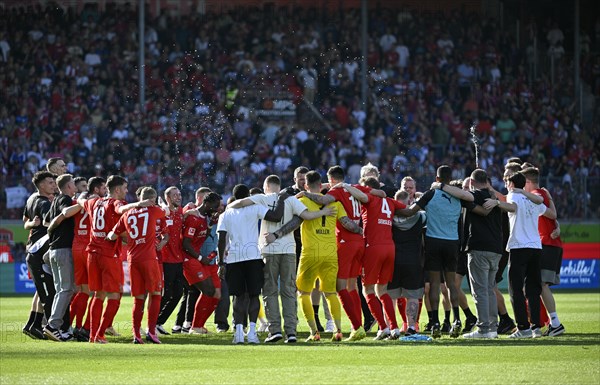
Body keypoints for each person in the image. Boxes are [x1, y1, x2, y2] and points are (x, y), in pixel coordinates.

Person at [226, 176, 332, 343]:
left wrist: (229, 206)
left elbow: (239, 203)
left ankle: (274, 330)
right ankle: (291, 331)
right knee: (289, 291)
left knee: (270, 291)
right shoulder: (291, 199)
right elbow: (307, 216)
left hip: (268, 250)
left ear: (266, 186)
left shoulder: (261, 198)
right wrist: (324, 212)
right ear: (279, 186)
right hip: (289, 250)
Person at [295, 165, 373, 340]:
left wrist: (304, 194)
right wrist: (363, 232)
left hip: (325, 249)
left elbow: (298, 217)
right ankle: (346, 328)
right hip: (342, 248)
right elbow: (349, 221)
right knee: (342, 289)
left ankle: (316, 332)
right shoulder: (346, 195)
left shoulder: (319, 198)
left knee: (313, 292)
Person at [398, 165, 474, 338]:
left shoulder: (430, 194)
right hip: (452, 243)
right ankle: (457, 320)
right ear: (450, 178)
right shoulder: (457, 196)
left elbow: (410, 212)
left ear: (437, 179)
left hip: (433, 242)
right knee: (451, 284)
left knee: (433, 284)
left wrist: (390, 208)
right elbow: (473, 204)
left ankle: (436, 323)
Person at [82, 175, 152, 343]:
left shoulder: (94, 202)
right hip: (108, 254)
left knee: (98, 295)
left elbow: (80, 202)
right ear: (117, 189)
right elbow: (121, 210)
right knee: (115, 295)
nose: (127, 191)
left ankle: (93, 335)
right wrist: (138, 204)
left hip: (92, 253)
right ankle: (99, 334)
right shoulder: (116, 203)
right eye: (125, 188)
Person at [484, 171, 554, 338]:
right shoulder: (532, 199)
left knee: (516, 290)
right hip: (536, 248)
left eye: (508, 183)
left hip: (519, 247)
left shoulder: (513, 195)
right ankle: (536, 327)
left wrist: (496, 203)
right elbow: (551, 214)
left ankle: (523, 328)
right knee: (533, 289)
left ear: (512, 184)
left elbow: (512, 207)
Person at [347, 176, 407, 340]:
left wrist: (346, 185)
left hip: (373, 248)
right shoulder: (390, 201)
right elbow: (407, 210)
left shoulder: (370, 197)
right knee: (382, 290)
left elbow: (356, 191)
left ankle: (383, 327)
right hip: (390, 248)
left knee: (367, 290)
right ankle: (394, 328)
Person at [108, 187, 167, 344]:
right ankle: (152, 332)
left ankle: (136, 335)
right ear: (152, 199)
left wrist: (131, 239)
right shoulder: (153, 210)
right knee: (155, 294)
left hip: (133, 259)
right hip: (149, 258)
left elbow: (112, 235)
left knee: (138, 298)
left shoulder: (127, 214)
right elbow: (166, 212)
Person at [521, 166, 566, 336]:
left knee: (541, 285)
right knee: (539, 286)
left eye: (522, 184)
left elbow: (546, 209)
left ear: (528, 182)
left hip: (547, 245)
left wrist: (519, 192)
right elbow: (552, 215)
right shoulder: (544, 194)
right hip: (548, 244)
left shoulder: (538, 194)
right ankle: (550, 323)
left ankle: (555, 323)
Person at [460, 169, 503, 338]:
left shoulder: (475, 195)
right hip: (496, 249)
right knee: (489, 289)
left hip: (479, 248)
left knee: (480, 291)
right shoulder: (494, 198)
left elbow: (465, 197)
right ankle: (492, 328)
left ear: (471, 182)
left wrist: (440, 185)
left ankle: (484, 329)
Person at [69, 176, 107, 341]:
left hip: (76, 246)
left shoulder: (77, 201)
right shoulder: (100, 203)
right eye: (104, 187)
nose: (106, 191)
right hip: (90, 248)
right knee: (98, 292)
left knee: (82, 291)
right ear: (97, 189)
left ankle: (69, 326)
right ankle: (86, 328)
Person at [181, 192, 223, 334]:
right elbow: (186, 243)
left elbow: (200, 238)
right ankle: (195, 326)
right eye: (215, 206)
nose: (217, 209)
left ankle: (198, 326)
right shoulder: (193, 217)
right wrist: (200, 258)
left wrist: (211, 224)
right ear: (207, 204)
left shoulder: (205, 218)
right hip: (190, 260)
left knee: (215, 293)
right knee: (208, 291)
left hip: (198, 260)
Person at [42, 174, 78, 341]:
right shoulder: (64, 198)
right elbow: (64, 213)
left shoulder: (55, 199)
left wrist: (53, 228)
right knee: (66, 289)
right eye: (73, 184)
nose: (75, 187)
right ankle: (52, 325)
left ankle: (55, 326)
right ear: (68, 186)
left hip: (54, 249)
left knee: (60, 290)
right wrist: (82, 205)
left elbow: (45, 221)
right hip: (63, 249)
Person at [22, 171, 56, 339]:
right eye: (50, 182)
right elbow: (50, 223)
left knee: (40, 290)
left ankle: (32, 325)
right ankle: (52, 327)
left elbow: (25, 223)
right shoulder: (44, 203)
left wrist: (32, 224)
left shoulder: (30, 199)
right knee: (48, 292)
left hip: (32, 247)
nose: (53, 185)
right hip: (41, 251)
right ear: (41, 185)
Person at [390, 190, 426, 336]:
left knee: (391, 296)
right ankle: (411, 327)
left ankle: (391, 328)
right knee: (412, 295)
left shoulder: (390, 217)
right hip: (413, 260)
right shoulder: (419, 217)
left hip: (394, 260)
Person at [155, 186, 185, 336]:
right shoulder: (162, 213)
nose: (178, 197)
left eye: (179, 194)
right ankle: (152, 323)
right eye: (175, 195)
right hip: (166, 259)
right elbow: (156, 230)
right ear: (167, 198)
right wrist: (159, 240)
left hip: (178, 259)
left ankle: (159, 322)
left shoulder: (180, 212)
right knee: (165, 294)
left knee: (178, 293)